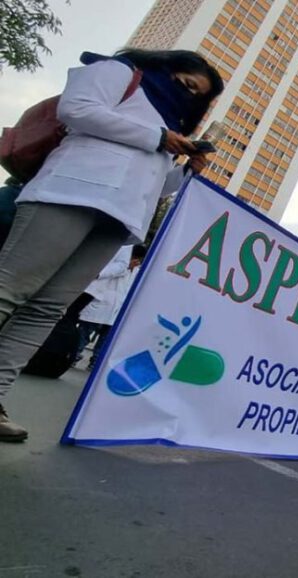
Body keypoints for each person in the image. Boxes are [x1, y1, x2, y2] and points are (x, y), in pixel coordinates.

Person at [0, 48, 223, 443]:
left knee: (47, 308)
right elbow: (77, 109)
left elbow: (157, 184)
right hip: (71, 190)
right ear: (166, 69)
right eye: (185, 84)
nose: (187, 95)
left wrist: (187, 168)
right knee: (9, 289)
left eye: (197, 94)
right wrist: (157, 137)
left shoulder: (169, 125)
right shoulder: (119, 71)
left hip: (118, 218)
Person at [77, 244, 146, 370]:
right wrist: (126, 267)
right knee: (85, 332)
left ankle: (96, 361)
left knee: (105, 339)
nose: (136, 262)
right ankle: (74, 354)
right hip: (101, 304)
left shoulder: (136, 272)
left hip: (116, 310)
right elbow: (106, 273)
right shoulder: (117, 264)